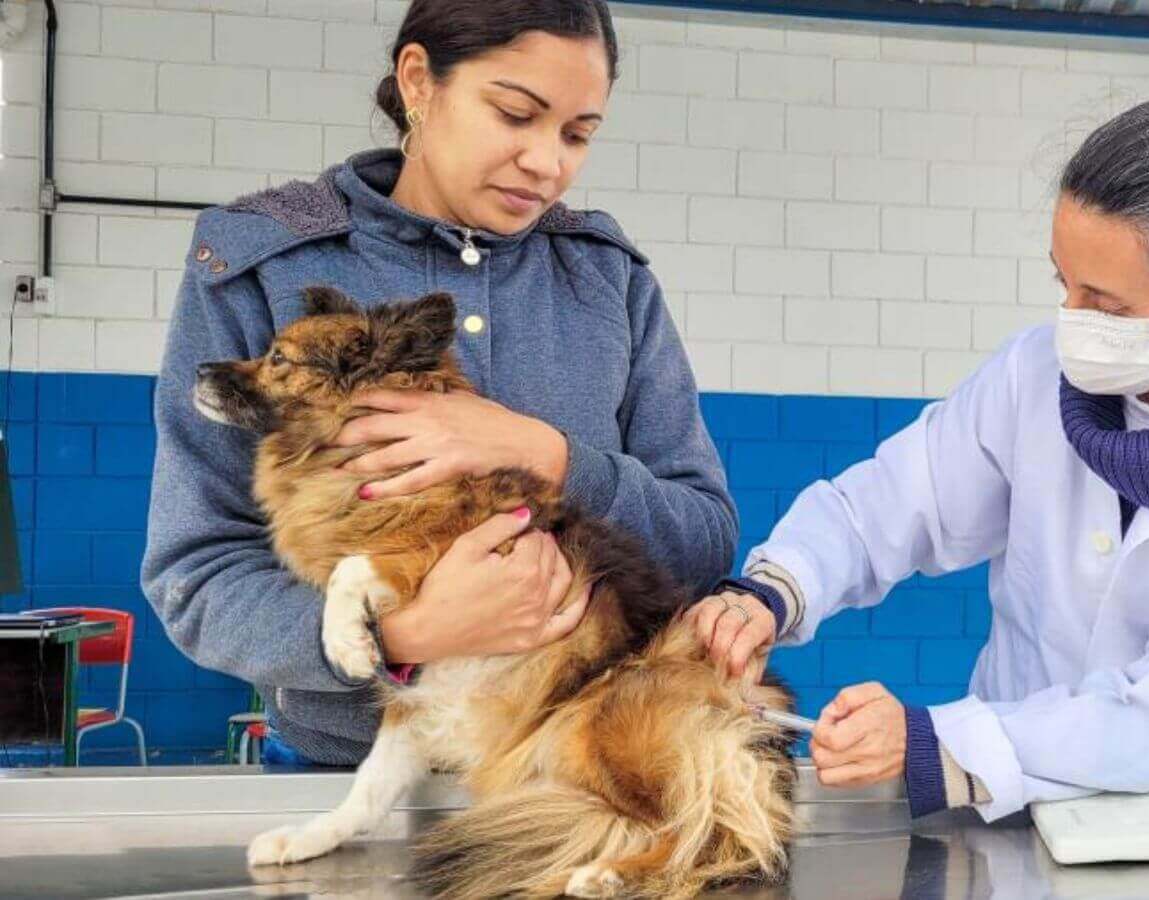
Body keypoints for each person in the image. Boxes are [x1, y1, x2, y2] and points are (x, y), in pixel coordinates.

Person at [694, 97, 1149, 821]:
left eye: (1108, 305)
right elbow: (892, 505)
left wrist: (937, 740)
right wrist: (774, 591)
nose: (1074, 321)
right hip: (1027, 806)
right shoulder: (1030, 377)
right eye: (1065, 284)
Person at [141, 0, 735, 765]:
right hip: (349, 773)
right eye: (515, 114)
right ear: (418, 81)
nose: (548, 163)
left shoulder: (608, 281)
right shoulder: (263, 264)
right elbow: (197, 572)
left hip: (570, 775)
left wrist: (544, 452)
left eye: (578, 134)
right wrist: (398, 635)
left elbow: (704, 540)